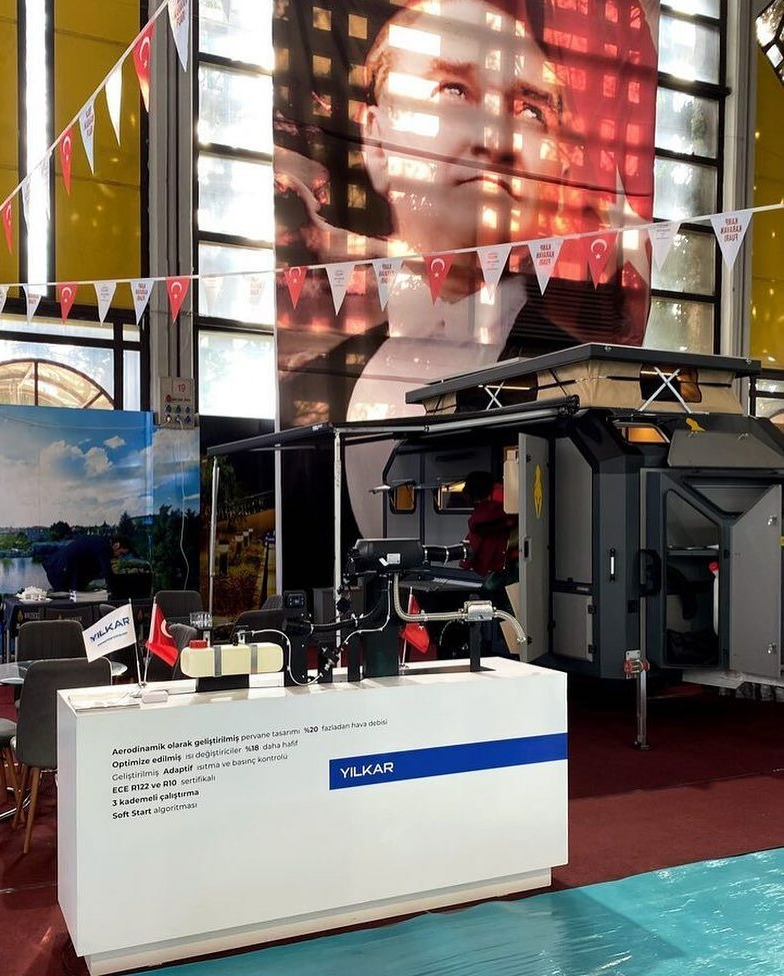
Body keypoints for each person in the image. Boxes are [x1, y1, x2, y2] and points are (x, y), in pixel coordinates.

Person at [273, 0, 657, 570]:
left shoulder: (582, 388)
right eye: (453, 90)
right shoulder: (303, 389)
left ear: (557, 166)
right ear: (376, 141)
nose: (495, 138)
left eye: (530, 110)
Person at [458, 470, 519, 612]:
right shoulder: (495, 495)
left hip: (515, 556)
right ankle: (507, 618)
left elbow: (480, 523)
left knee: (493, 590)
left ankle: (509, 619)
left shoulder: (499, 496)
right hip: (509, 557)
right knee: (493, 590)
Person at [43, 535, 132, 593]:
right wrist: (116, 592)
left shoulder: (101, 542)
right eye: (121, 553)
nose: (119, 557)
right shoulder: (104, 547)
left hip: (59, 566)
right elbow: (107, 572)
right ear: (116, 545)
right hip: (61, 569)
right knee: (67, 600)